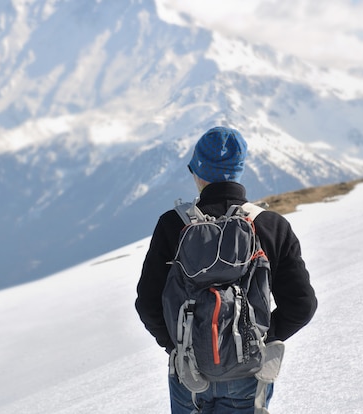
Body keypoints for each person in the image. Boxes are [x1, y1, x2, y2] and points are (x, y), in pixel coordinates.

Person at [135, 126, 317, 413]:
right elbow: (302, 305)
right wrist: (259, 341)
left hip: (189, 375)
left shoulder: (173, 225)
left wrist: (180, 346)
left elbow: (147, 303)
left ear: (197, 172)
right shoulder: (271, 225)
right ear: (239, 170)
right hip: (248, 375)